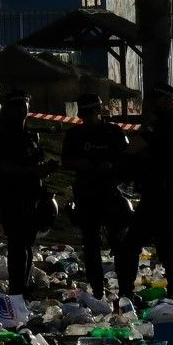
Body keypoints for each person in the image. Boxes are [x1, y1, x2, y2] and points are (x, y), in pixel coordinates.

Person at [118, 86, 173, 301]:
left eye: (157, 99)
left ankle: (125, 292)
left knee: (131, 244)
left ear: (168, 100)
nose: (152, 104)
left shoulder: (162, 126)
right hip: (170, 190)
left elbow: (132, 148)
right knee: (166, 244)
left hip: (157, 193)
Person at [60, 94, 131, 299]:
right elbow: (66, 161)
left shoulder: (113, 132)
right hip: (86, 194)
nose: (88, 118)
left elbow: (126, 158)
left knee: (119, 242)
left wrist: (111, 166)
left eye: (90, 113)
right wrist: (85, 165)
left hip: (110, 193)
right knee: (91, 245)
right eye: (84, 114)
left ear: (99, 111)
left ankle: (125, 289)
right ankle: (98, 290)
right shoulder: (75, 135)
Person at [0, 89, 56, 295]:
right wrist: (35, 171)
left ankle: (23, 286)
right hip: (12, 196)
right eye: (17, 105)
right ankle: (17, 288)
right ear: (8, 109)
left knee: (26, 243)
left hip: (31, 196)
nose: (22, 109)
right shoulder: (5, 136)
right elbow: (7, 167)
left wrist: (44, 170)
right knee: (18, 244)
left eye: (24, 105)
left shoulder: (28, 135)